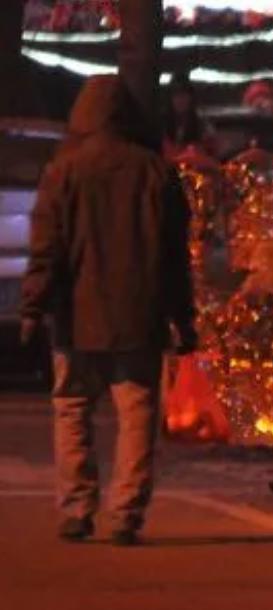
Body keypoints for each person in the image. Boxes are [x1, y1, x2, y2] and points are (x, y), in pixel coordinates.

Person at [20, 75, 197, 546]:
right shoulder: (157, 173)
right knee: (136, 412)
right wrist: (184, 320)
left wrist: (33, 307)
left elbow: (47, 248)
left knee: (72, 408)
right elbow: (175, 258)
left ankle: (77, 507)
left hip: (77, 316)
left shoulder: (64, 170)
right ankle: (126, 512)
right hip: (139, 315)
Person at [162, 71, 216, 162]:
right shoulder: (161, 126)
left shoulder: (203, 127)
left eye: (184, 95)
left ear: (191, 98)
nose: (180, 100)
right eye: (176, 95)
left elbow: (211, 158)